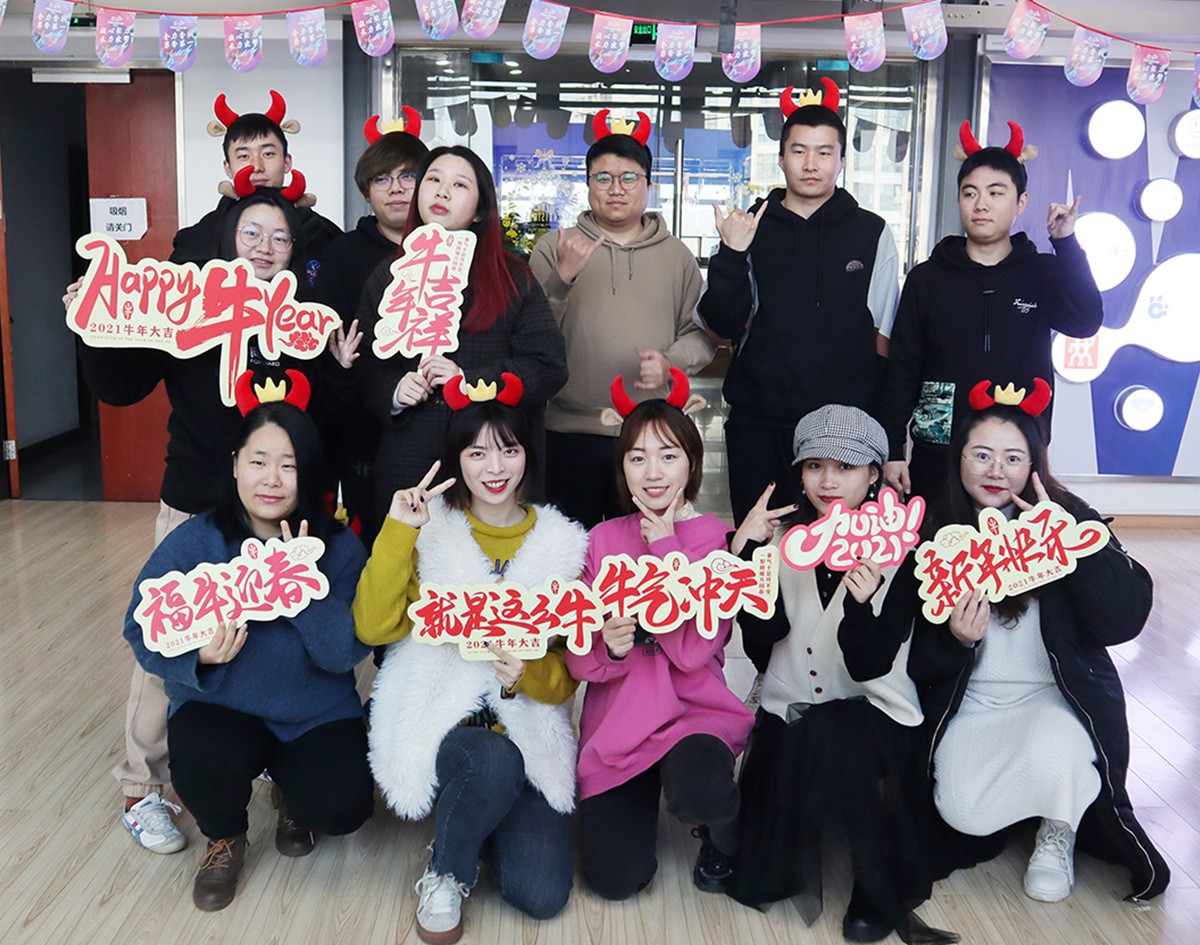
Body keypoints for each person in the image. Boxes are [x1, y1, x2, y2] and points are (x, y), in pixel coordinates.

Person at [70, 180, 360, 855]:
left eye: (279, 237)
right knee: (172, 640)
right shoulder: (187, 304)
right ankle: (141, 788)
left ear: (294, 252)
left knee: (285, 631)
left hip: (283, 509)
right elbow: (120, 385)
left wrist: (342, 371)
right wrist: (92, 322)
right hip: (199, 502)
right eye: (251, 233)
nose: (264, 247)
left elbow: (329, 428)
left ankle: (286, 764)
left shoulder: (304, 322)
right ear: (228, 240)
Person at [908, 381, 1169, 904]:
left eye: (1012, 457)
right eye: (981, 454)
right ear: (959, 459)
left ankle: (1057, 827)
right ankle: (1033, 798)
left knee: (1059, 748)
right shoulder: (937, 533)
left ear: (1034, 464)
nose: (995, 470)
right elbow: (914, 661)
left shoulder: (1070, 518)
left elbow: (1123, 620)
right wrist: (956, 641)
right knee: (962, 810)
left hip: (1054, 700)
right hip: (973, 703)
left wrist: (1068, 539)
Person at [354, 375, 585, 945]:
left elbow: (566, 676)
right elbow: (373, 626)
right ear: (456, 459)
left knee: (541, 894)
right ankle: (447, 869)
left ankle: (473, 822)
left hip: (526, 733)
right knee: (489, 762)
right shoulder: (431, 531)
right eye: (477, 452)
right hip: (443, 724)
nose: (495, 467)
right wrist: (397, 532)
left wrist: (528, 674)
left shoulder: (562, 543)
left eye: (509, 449)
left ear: (528, 454)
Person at [122, 400, 374, 911]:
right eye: (259, 461)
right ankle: (225, 836)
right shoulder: (197, 539)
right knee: (200, 757)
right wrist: (197, 657)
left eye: (289, 465)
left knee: (343, 808)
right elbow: (139, 627)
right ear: (235, 463)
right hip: (221, 706)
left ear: (309, 473)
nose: (272, 479)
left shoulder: (340, 548)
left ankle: (292, 794)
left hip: (314, 710)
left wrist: (298, 585)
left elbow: (342, 654)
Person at [728, 405, 956, 945]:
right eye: (814, 466)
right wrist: (749, 552)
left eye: (845, 467)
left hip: (875, 711)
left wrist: (860, 604)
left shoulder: (905, 552)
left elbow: (871, 662)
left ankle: (874, 890)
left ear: (874, 474)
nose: (827, 481)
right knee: (764, 866)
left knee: (838, 734)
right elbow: (764, 638)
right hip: (791, 705)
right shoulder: (783, 544)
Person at [565, 369, 755, 899]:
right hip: (620, 728)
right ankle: (643, 795)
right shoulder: (601, 539)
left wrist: (666, 544)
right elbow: (578, 660)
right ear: (622, 467)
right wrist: (609, 646)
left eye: (668, 456)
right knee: (615, 881)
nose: (653, 473)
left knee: (700, 791)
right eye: (638, 458)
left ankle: (724, 834)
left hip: (695, 714)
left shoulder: (717, 539)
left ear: (691, 462)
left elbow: (695, 651)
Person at [698, 79, 899, 524]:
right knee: (757, 545)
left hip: (843, 430)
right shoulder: (748, 226)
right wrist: (731, 253)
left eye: (824, 152)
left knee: (836, 547)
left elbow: (885, 338)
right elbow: (722, 325)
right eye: (799, 151)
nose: (811, 164)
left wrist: (885, 431)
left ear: (841, 161)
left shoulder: (871, 232)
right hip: (759, 419)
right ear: (781, 158)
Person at [876, 121, 1103, 503]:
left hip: (1016, 451)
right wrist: (893, 447)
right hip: (939, 450)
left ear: (1021, 202)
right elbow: (903, 368)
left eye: (996, 193)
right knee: (934, 539)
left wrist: (1065, 244)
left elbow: (1085, 321)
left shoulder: (1042, 272)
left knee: (1015, 540)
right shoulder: (927, 278)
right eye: (970, 193)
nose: (981, 204)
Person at [356, 145, 568, 533]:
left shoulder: (512, 277)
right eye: (433, 180)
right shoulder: (389, 275)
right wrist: (395, 391)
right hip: (411, 461)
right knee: (406, 563)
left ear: (479, 210)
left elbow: (548, 366)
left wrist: (470, 381)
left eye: (459, 185)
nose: (442, 191)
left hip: (494, 466)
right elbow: (366, 368)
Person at [529, 111, 714, 528]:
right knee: (567, 548)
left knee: (643, 547)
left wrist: (670, 362)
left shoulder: (676, 256)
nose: (616, 188)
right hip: (566, 432)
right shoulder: (555, 247)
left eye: (629, 177)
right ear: (588, 184)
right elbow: (530, 335)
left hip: (648, 437)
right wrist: (561, 279)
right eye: (603, 178)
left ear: (649, 184)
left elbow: (701, 335)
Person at [313, 117, 429, 542]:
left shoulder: (454, 250)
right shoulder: (342, 255)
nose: (396, 188)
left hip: (441, 427)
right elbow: (330, 350)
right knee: (373, 545)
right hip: (364, 435)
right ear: (367, 191)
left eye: (408, 176)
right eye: (382, 179)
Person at [171, 89, 342, 288]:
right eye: (243, 156)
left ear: (287, 162)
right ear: (228, 168)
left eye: (268, 154)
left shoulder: (323, 234)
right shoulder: (200, 239)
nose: (257, 166)